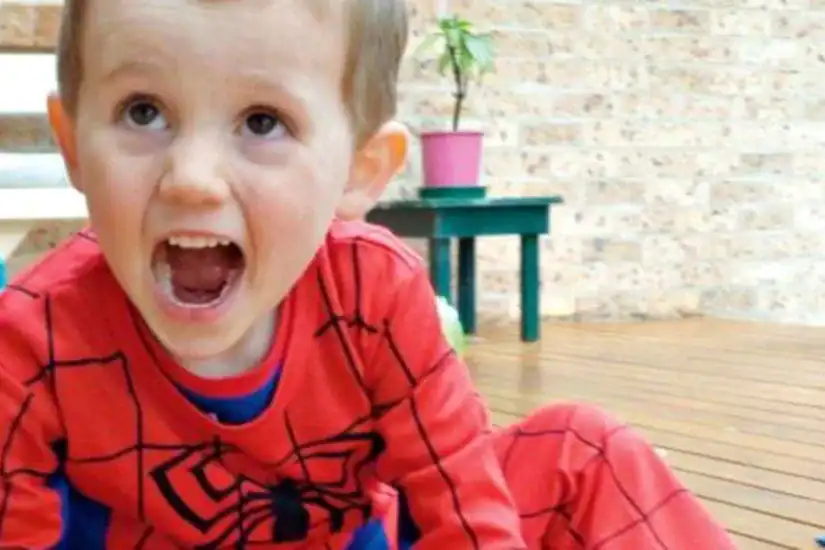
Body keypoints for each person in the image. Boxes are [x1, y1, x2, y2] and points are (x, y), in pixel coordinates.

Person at [0, 0, 738, 548]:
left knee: (584, 447)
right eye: (143, 110)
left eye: (262, 122)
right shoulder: (32, 338)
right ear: (72, 143)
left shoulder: (376, 293)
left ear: (358, 171)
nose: (192, 179)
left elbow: (463, 504)